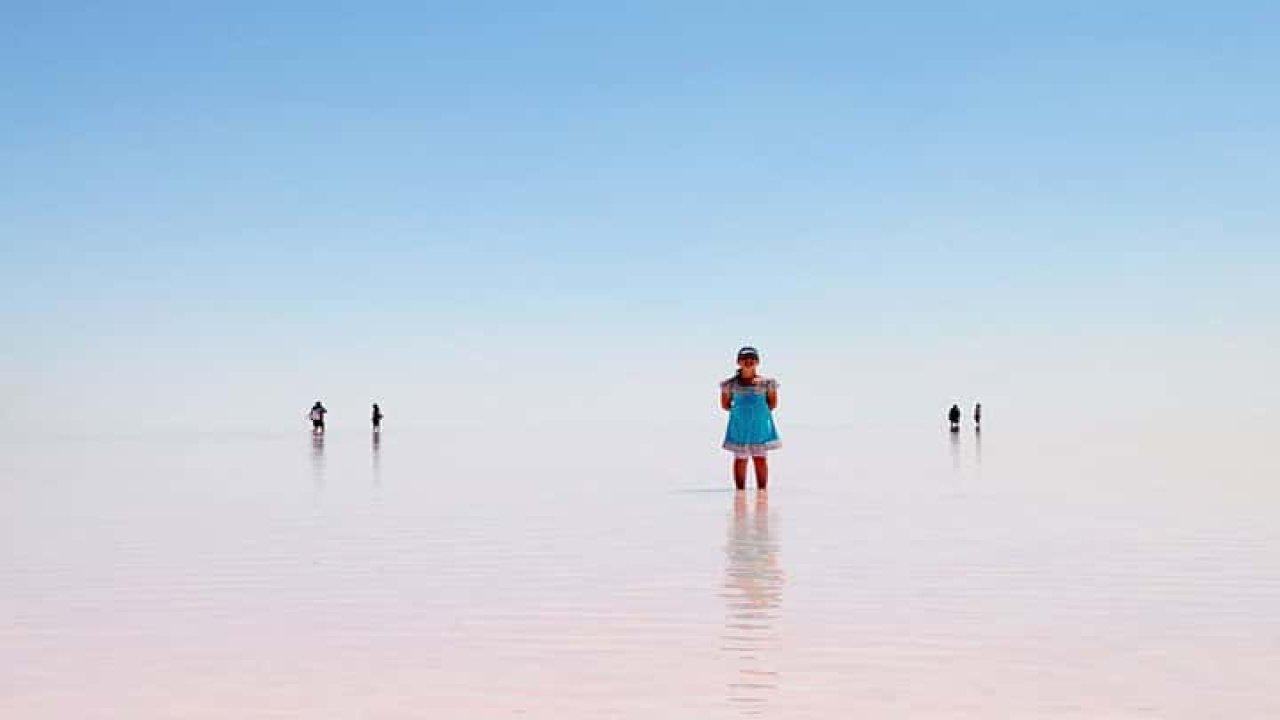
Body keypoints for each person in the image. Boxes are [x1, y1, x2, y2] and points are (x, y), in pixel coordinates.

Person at [720, 346, 781, 492]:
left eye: (752, 358)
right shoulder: (729, 384)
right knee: (740, 459)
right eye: (744, 359)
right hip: (739, 426)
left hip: (759, 427)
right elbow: (725, 405)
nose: (748, 361)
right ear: (738, 362)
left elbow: (772, 404)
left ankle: (762, 493)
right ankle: (740, 493)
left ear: (757, 361)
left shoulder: (767, 383)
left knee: (760, 459)